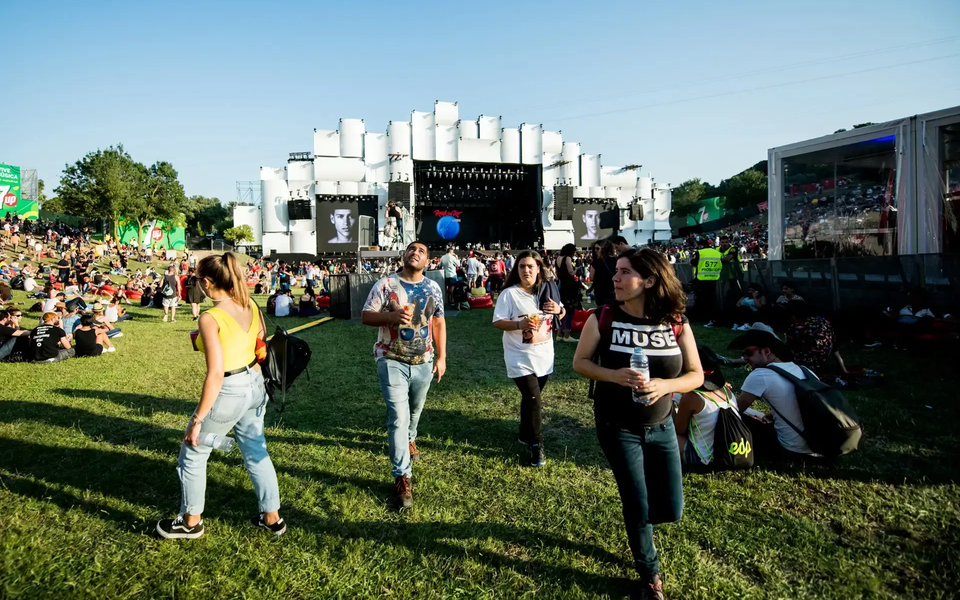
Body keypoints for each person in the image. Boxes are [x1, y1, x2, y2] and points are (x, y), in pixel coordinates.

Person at [572, 248, 703, 599]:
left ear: (648, 281)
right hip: (618, 426)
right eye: (616, 271)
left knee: (672, 509)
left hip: (662, 425)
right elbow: (581, 363)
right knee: (637, 502)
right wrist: (614, 376)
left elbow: (696, 374)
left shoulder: (675, 321)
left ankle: (644, 528)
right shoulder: (602, 317)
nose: (614, 278)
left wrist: (665, 385)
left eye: (624, 272)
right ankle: (650, 576)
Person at [156, 252, 285, 539]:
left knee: (192, 452)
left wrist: (198, 419)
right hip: (254, 384)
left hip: (230, 389)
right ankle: (272, 517)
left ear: (206, 282)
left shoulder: (209, 317)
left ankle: (190, 522)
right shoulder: (249, 303)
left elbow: (215, 373)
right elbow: (258, 342)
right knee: (255, 450)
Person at [361, 241, 447, 510]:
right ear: (404, 255)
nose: (416, 253)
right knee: (397, 417)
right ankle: (402, 477)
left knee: (415, 410)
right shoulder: (385, 285)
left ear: (428, 261)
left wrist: (442, 357)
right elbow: (366, 316)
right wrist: (393, 315)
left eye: (422, 251)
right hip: (391, 358)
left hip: (424, 360)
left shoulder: (433, 287)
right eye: (412, 249)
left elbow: (439, 321)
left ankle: (411, 439)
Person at [492, 250, 565, 466]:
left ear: (539, 269)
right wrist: (518, 325)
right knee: (534, 398)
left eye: (530, 266)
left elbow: (562, 314)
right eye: (522, 266)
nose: (526, 270)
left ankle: (525, 434)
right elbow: (498, 322)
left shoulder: (547, 290)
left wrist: (559, 310)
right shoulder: (509, 294)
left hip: (543, 355)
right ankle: (536, 445)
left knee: (531, 397)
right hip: (519, 355)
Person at [728, 328, 817, 458]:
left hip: (792, 449)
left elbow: (736, 411)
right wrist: (773, 414)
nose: (745, 358)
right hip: (820, 447)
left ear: (766, 351)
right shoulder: (805, 371)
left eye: (748, 353)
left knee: (728, 415)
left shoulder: (760, 374)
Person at [673, 347, 742, 469]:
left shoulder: (692, 397)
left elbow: (679, 430)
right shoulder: (727, 391)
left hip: (704, 459)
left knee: (666, 435)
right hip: (730, 453)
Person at [555, 243, 581, 342]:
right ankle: (566, 335)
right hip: (569, 286)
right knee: (569, 309)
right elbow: (571, 272)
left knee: (560, 309)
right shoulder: (568, 258)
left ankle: (558, 333)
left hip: (560, 284)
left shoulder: (557, 258)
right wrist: (576, 269)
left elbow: (558, 273)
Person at [589, 239, 617, 307]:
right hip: (613, 288)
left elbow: (591, 277)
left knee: (602, 310)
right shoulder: (617, 260)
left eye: (597, 248)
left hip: (600, 290)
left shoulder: (597, 262)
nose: (596, 250)